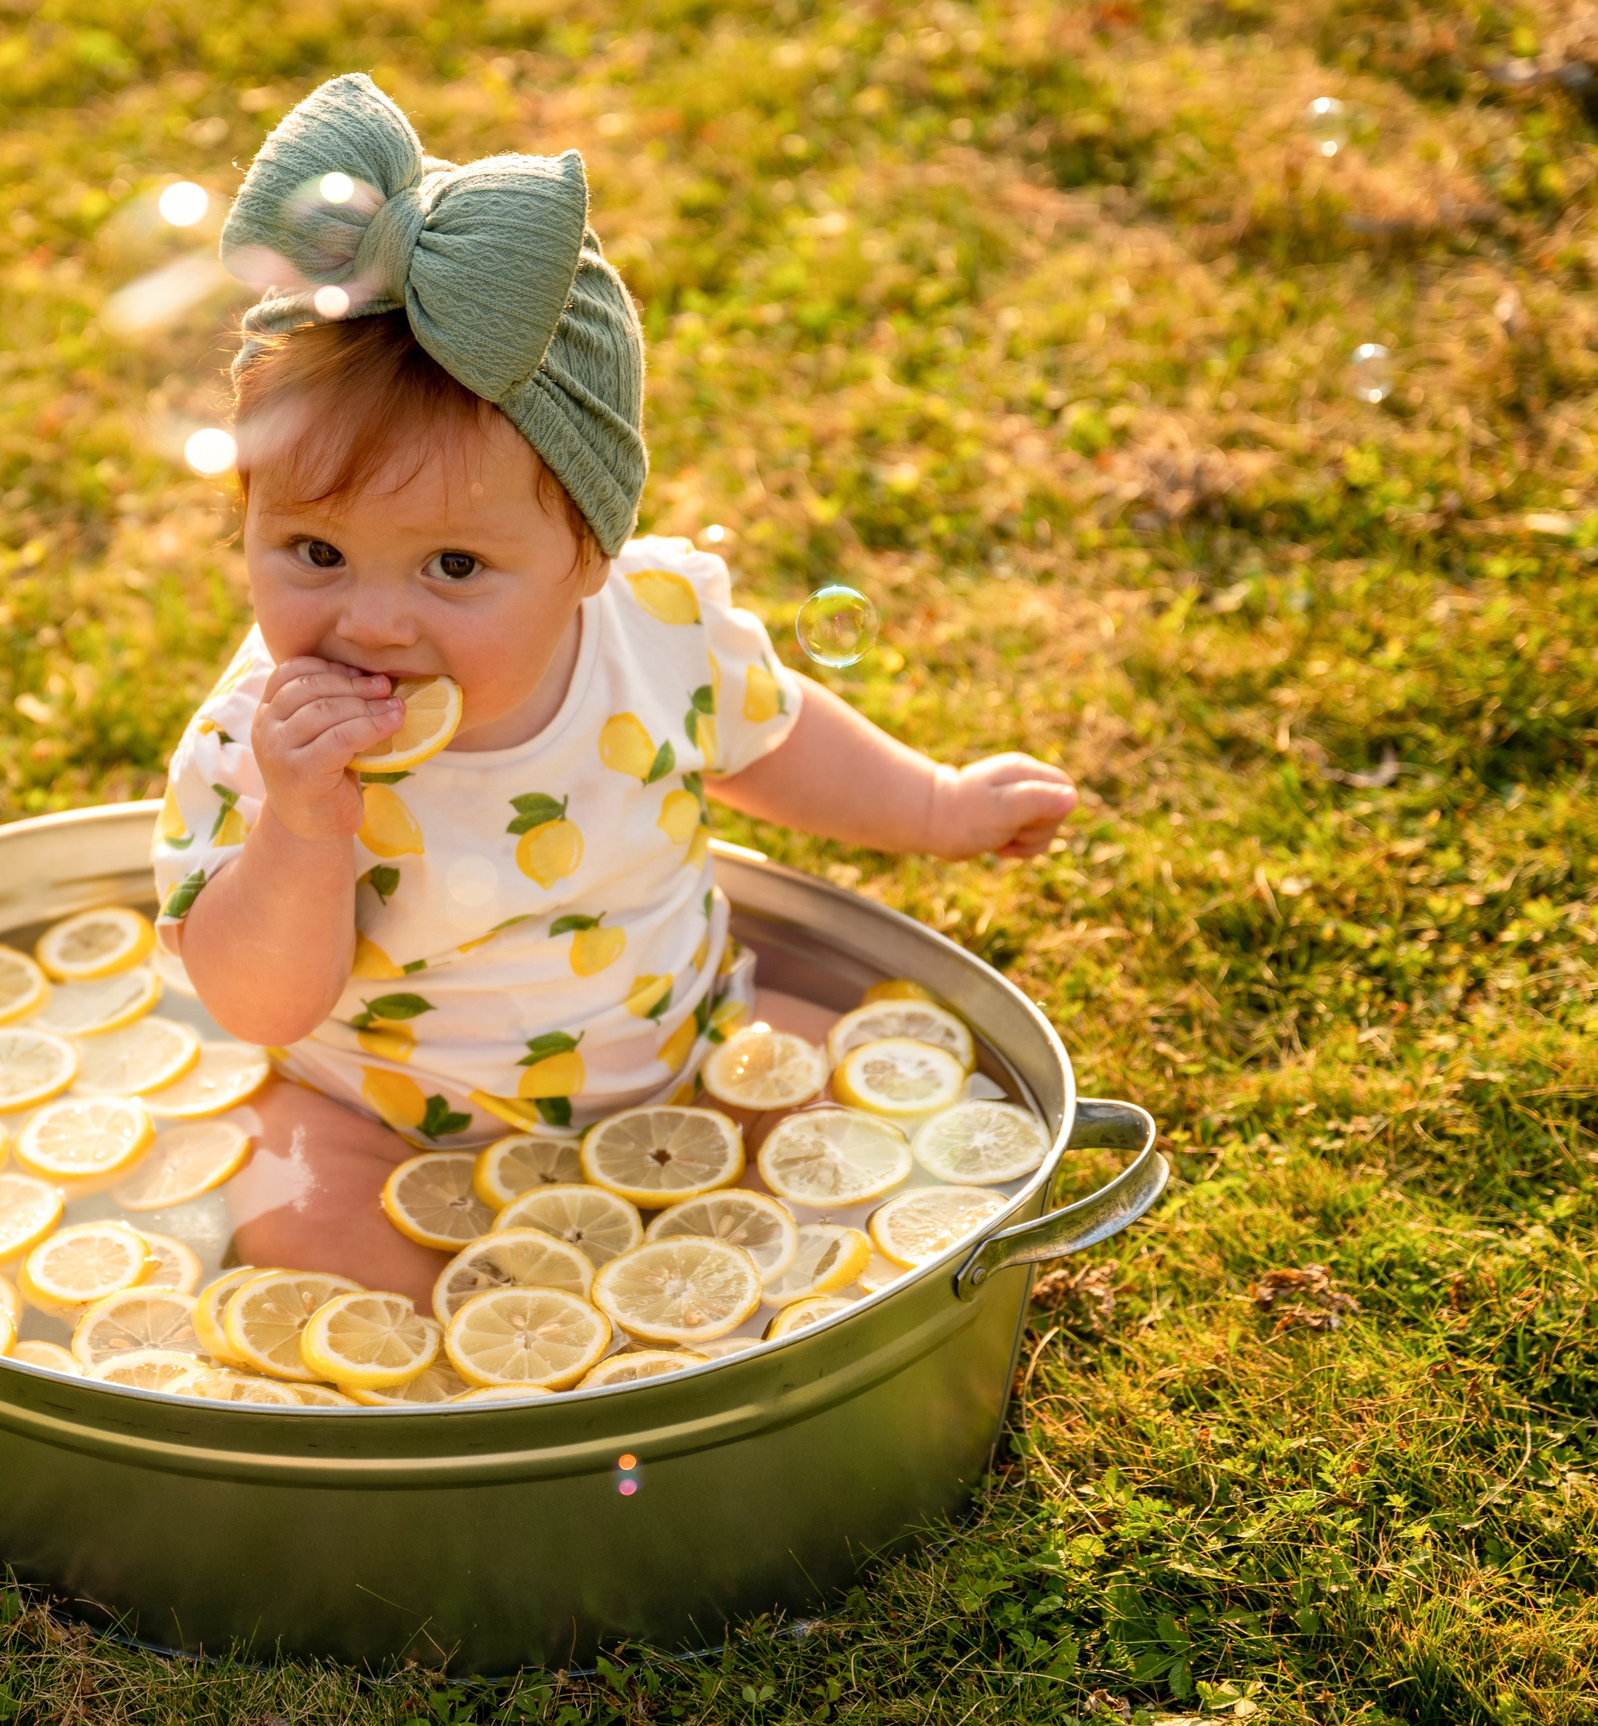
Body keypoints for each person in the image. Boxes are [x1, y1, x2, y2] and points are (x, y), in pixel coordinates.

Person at [152, 75, 1077, 1305]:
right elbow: (257, 1004)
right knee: (294, 1223)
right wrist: (300, 826)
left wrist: (932, 807)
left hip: (686, 1066)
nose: (372, 619)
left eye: (454, 566)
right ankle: (485, 1381)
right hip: (372, 1116)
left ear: (587, 553)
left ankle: (736, 1309)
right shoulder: (256, 740)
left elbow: (774, 736)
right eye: (314, 553)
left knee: (855, 1137)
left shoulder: (656, 627)